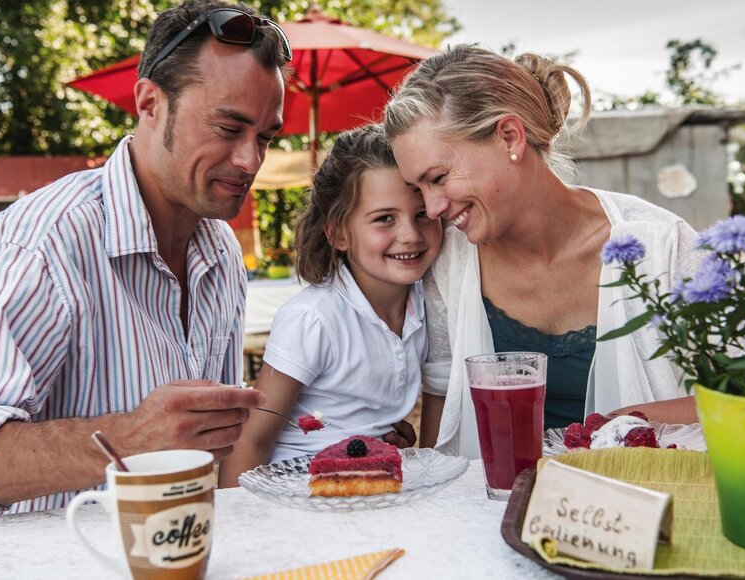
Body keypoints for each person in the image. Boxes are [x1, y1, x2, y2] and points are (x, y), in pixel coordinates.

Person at [0, 0, 291, 517]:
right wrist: (128, 440)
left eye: (266, 137)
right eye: (229, 128)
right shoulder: (45, 240)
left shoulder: (222, 251)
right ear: (149, 103)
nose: (250, 160)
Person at [383, 45, 702, 458]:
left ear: (510, 138)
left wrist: (622, 425)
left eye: (439, 178)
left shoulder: (665, 247)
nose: (432, 208)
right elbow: (444, 407)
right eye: (419, 189)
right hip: (495, 513)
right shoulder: (449, 262)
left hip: (644, 505)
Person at [218, 124, 442, 487]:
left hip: (376, 489)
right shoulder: (314, 318)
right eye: (385, 218)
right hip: (301, 495)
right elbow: (253, 437)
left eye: (422, 214)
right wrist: (237, 530)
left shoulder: (429, 304)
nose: (410, 235)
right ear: (338, 233)